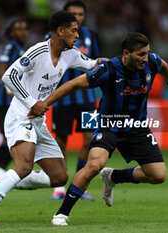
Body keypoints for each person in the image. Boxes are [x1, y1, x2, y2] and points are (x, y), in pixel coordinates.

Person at [29, 32, 168, 226]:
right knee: (94, 165)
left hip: (137, 127)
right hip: (109, 125)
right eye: (141, 54)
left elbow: (162, 65)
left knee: (158, 175)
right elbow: (72, 85)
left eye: (147, 53)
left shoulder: (151, 62)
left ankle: (113, 177)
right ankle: (62, 214)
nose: (145, 58)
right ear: (126, 53)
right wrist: (44, 103)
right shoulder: (108, 70)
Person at [0, 11, 105, 226]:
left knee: (59, 177)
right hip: (21, 116)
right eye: (74, 30)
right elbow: (8, 76)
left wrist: (107, 62)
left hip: (38, 120)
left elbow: (92, 64)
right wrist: (32, 102)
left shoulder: (71, 54)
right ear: (60, 31)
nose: (77, 35)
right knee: (24, 166)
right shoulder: (37, 51)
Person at [46, 0, 101, 201]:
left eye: (80, 14)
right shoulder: (52, 38)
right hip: (62, 99)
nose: (77, 17)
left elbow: (95, 64)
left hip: (87, 98)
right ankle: (59, 187)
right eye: (73, 14)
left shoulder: (90, 36)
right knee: (61, 141)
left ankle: (80, 184)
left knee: (89, 139)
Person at [0, 18, 29, 177]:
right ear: (11, 32)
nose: (23, 32)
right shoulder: (10, 47)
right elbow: (2, 70)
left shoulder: (20, 48)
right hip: (8, 99)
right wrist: (10, 90)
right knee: (9, 136)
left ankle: (3, 170)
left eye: (25, 29)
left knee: (14, 135)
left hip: (16, 99)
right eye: (19, 29)